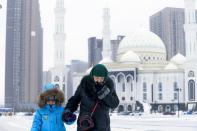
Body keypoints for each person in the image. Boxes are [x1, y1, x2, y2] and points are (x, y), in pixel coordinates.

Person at [62, 64, 119, 131]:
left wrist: (104, 94)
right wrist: (68, 110)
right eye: (97, 78)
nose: (99, 80)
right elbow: (75, 99)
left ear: (105, 78)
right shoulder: (84, 85)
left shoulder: (108, 87)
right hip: (85, 125)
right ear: (92, 76)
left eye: (101, 78)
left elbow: (114, 104)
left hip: (102, 126)